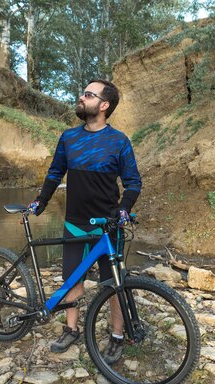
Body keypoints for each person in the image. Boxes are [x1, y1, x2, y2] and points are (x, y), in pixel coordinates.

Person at [28, 79, 141, 364]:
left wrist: (124, 209)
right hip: (74, 223)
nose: (81, 97)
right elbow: (55, 174)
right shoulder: (68, 137)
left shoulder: (119, 142)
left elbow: (133, 183)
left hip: (108, 225)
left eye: (88, 95)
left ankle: (117, 336)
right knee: (72, 278)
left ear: (104, 106)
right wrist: (39, 204)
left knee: (114, 284)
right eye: (83, 93)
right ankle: (71, 329)